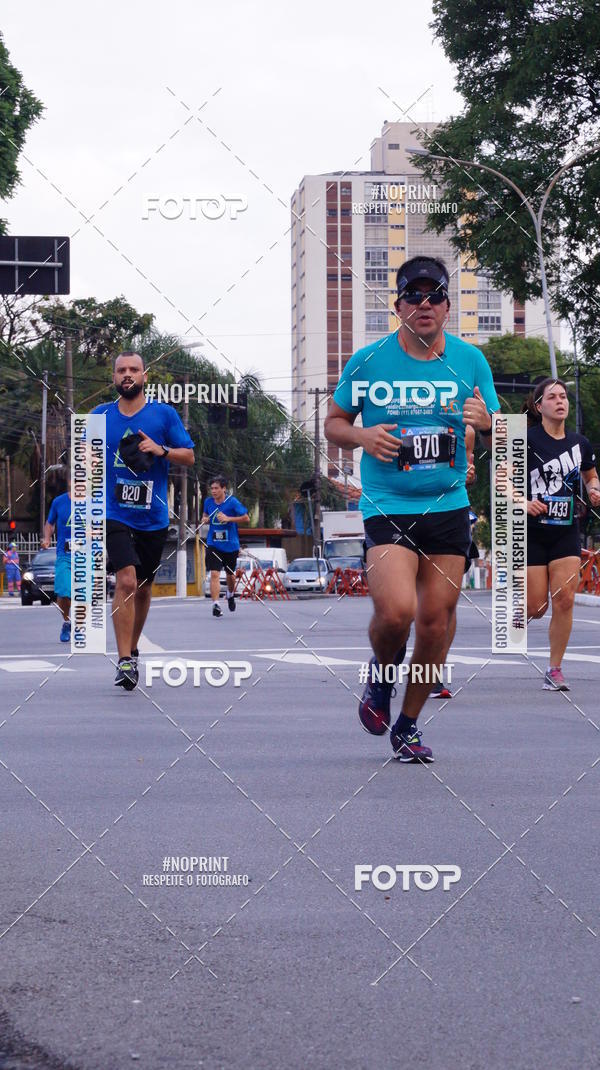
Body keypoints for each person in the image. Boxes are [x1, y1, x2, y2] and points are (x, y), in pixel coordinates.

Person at [324, 255, 500, 762]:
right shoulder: (368, 360)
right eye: (414, 296)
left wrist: (486, 421)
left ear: (447, 306)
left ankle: (408, 724)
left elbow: (497, 432)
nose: (425, 304)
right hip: (389, 504)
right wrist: (362, 436)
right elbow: (334, 423)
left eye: (435, 296)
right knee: (397, 611)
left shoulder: (470, 360)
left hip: (448, 505)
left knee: (435, 624)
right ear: (398, 306)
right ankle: (382, 675)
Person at [92, 351, 195, 690]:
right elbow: (83, 462)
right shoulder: (99, 415)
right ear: (114, 377)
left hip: (153, 516)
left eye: (133, 369)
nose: (127, 374)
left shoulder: (163, 414)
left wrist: (161, 449)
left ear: (144, 376)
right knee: (126, 581)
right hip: (114, 512)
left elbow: (189, 456)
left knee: (144, 587)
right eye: (121, 370)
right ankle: (123, 660)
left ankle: (133, 650)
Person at [525, 377, 600, 691]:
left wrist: (594, 490)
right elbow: (503, 479)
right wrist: (522, 502)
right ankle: (512, 615)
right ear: (539, 406)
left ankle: (554, 669)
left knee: (565, 599)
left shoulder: (579, 443)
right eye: (553, 397)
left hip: (565, 530)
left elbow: (591, 476)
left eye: (564, 396)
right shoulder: (525, 440)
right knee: (536, 607)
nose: (560, 401)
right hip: (530, 531)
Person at [201, 476, 249, 617]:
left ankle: (230, 593)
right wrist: (205, 519)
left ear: (224, 489)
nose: (213, 491)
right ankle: (216, 604)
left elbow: (246, 518)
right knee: (214, 573)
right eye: (212, 488)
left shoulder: (232, 502)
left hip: (230, 545)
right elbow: (205, 515)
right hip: (213, 543)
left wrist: (229, 518)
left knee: (230, 575)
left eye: (216, 488)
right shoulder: (208, 502)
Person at [42, 469, 73, 641]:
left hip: (87, 555)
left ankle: (81, 625)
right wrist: (47, 538)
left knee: (86, 594)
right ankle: (67, 622)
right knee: (63, 592)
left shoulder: (93, 502)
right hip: (64, 555)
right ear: (69, 482)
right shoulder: (58, 502)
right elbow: (49, 523)